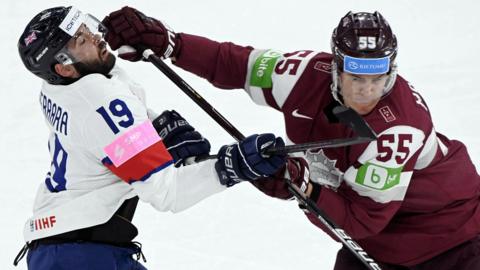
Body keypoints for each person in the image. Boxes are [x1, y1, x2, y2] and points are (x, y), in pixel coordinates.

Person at [102, 7, 480, 270]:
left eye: (377, 80)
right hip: (378, 245)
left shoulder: (397, 130)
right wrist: (172, 43)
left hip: (451, 239)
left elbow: (363, 220)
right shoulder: (302, 74)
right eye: (355, 79)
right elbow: (234, 64)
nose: (366, 92)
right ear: (335, 68)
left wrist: (304, 187)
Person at [14, 6, 287, 270]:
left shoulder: (55, 86)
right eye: (82, 39)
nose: (96, 36)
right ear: (64, 67)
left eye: (85, 26)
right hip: (82, 256)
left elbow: (102, 118)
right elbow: (167, 192)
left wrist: (154, 129)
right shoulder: (103, 104)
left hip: (63, 248)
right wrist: (233, 166)